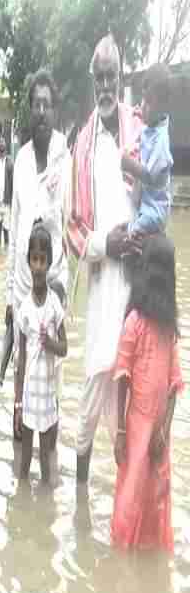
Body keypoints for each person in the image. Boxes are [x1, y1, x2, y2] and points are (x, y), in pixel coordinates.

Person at [67, 36, 138, 482]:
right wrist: (103, 245)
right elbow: (72, 225)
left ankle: (126, 516)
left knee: (132, 395)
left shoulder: (139, 128)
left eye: (112, 76)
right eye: (100, 78)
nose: (106, 85)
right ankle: (77, 494)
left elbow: (155, 203)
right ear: (93, 82)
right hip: (100, 283)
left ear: (122, 77)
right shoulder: (83, 143)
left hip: (135, 285)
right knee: (94, 385)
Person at [6, 68, 71, 440]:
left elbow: (71, 221)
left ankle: (48, 457)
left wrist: (62, 289)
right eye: (36, 105)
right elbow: (16, 231)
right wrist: (10, 299)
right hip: (23, 288)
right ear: (29, 112)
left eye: (47, 105)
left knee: (52, 373)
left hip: (55, 289)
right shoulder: (22, 161)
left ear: (55, 111)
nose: (42, 111)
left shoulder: (65, 154)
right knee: (22, 367)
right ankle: (19, 422)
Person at [112, 233, 181, 552]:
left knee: (157, 498)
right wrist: (122, 433)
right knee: (131, 496)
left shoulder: (169, 330)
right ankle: (124, 560)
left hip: (158, 434)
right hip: (137, 425)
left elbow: (174, 385)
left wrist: (164, 431)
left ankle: (149, 562)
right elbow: (121, 379)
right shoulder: (134, 323)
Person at [14, 221, 67, 485]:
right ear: (28, 261)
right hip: (29, 391)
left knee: (45, 461)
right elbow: (21, 358)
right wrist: (17, 402)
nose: (38, 266)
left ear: (49, 262)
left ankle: (45, 512)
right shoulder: (23, 309)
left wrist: (50, 343)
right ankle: (22, 506)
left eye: (42, 260)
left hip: (47, 393)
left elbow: (65, 349)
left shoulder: (55, 305)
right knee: (24, 461)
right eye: (34, 259)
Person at [119, 62, 172, 280]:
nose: (143, 106)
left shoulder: (162, 140)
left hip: (155, 211)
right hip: (146, 203)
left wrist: (129, 165)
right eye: (143, 99)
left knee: (132, 234)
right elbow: (143, 119)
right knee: (131, 223)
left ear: (162, 107)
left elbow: (150, 175)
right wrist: (140, 112)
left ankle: (130, 269)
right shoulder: (153, 123)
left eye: (148, 103)